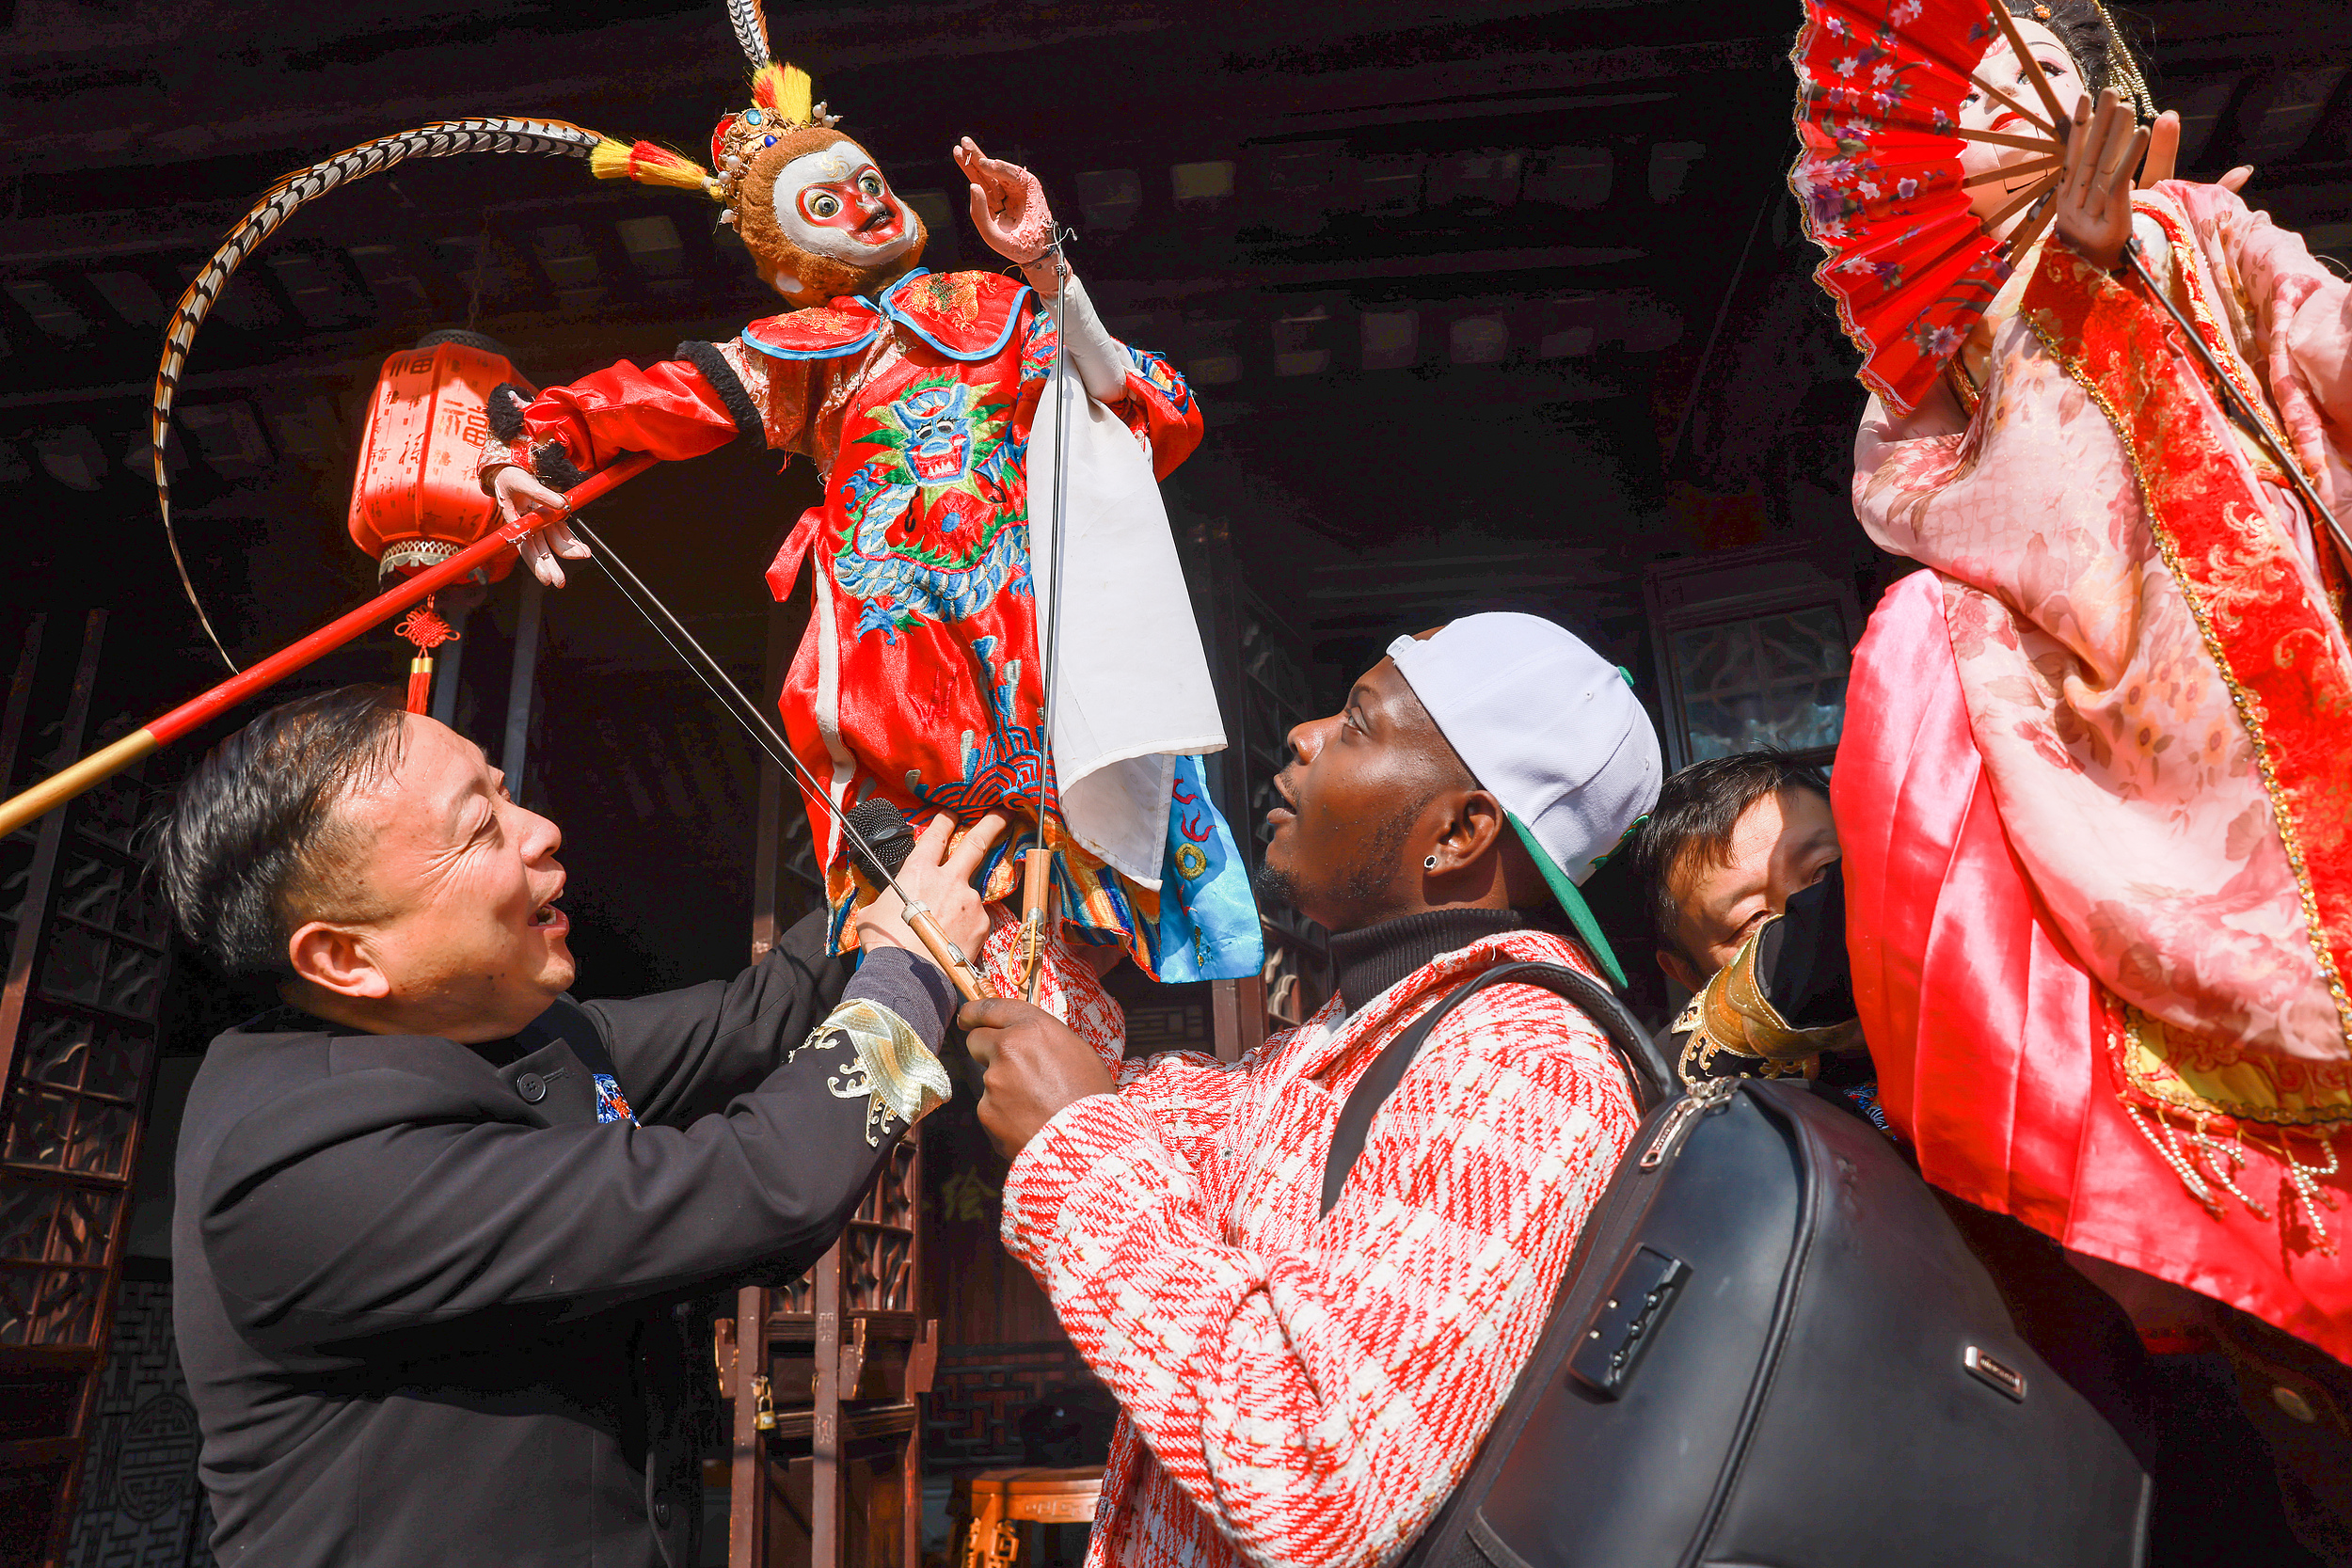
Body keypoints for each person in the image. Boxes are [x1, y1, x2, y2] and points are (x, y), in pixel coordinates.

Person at [151, 685, 1001, 1568]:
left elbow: (754, 1017)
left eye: (503, 789)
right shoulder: (298, 1160)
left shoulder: (512, 1029)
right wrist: (910, 972)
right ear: (344, 956)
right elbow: (759, 1187)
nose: (541, 829)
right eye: (479, 828)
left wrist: (894, 865)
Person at [949, 612, 1659, 1568]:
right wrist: (1005, 936)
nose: (1304, 734)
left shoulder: (1527, 1065)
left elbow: (1313, 1475)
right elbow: (1136, 1122)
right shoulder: (1361, 1031)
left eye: (1357, 724)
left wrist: (1074, 1139)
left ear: (1459, 831)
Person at [1626, 752, 1871, 1112]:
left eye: (1823, 872)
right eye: (1753, 919)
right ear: (1687, 975)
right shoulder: (1725, 1127)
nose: (1805, 918)